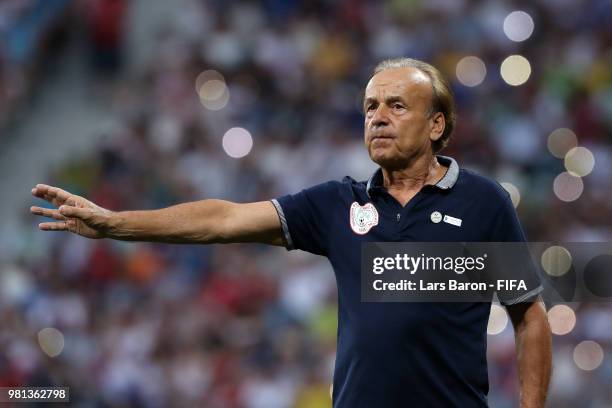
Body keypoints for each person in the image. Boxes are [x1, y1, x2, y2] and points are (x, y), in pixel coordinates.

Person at [31, 57, 552, 407]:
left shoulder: (483, 203)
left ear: (437, 125)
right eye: (370, 107)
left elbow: (528, 317)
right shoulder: (337, 204)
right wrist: (117, 224)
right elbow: (224, 219)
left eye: (397, 106)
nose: (378, 118)